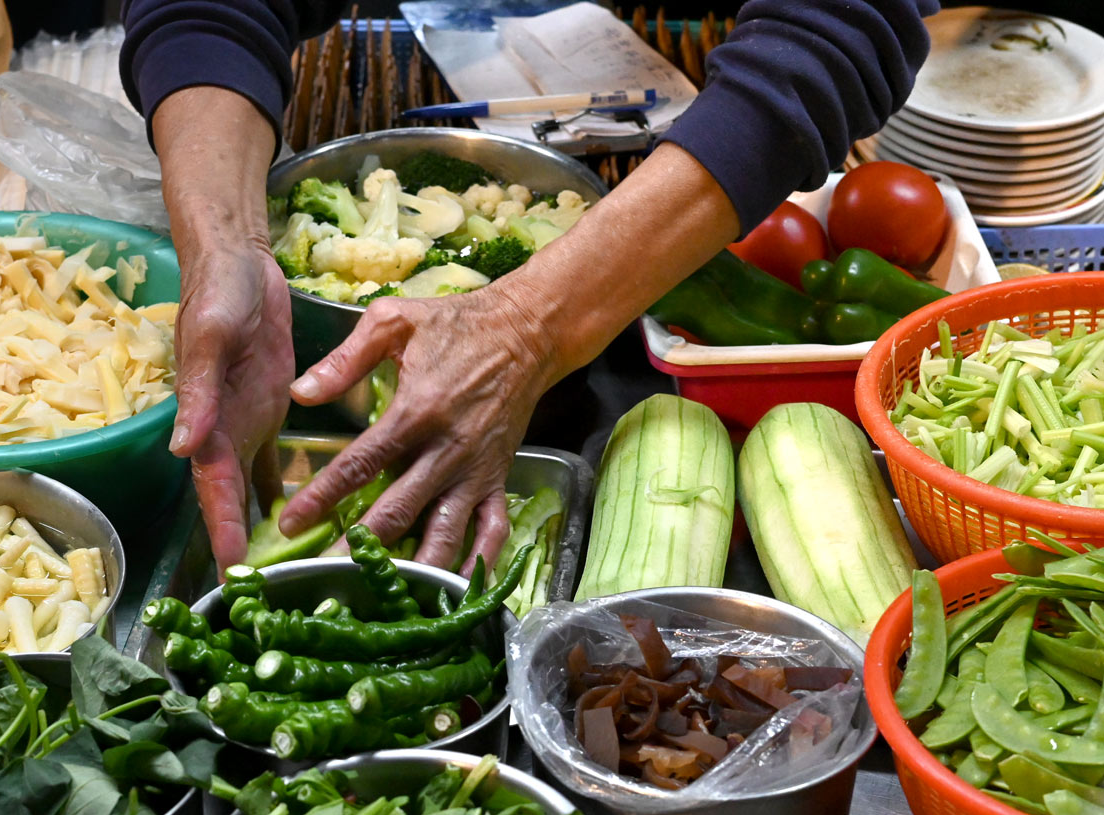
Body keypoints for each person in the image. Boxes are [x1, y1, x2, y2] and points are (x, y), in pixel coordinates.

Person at [120, 0, 938, 574]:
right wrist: (225, 240)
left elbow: (839, 24)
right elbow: (203, 10)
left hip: (699, 128)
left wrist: (526, 322)